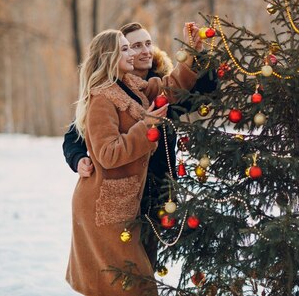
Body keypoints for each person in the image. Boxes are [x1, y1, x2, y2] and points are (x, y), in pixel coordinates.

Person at [63, 22, 217, 267]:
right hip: (116, 200)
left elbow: (179, 88)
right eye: (130, 47)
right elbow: (84, 138)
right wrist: (78, 157)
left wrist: (194, 52)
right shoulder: (103, 96)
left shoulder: (139, 85)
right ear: (112, 55)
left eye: (146, 44)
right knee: (125, 280)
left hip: (152, 193)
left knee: (140, 275)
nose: (139, 52)